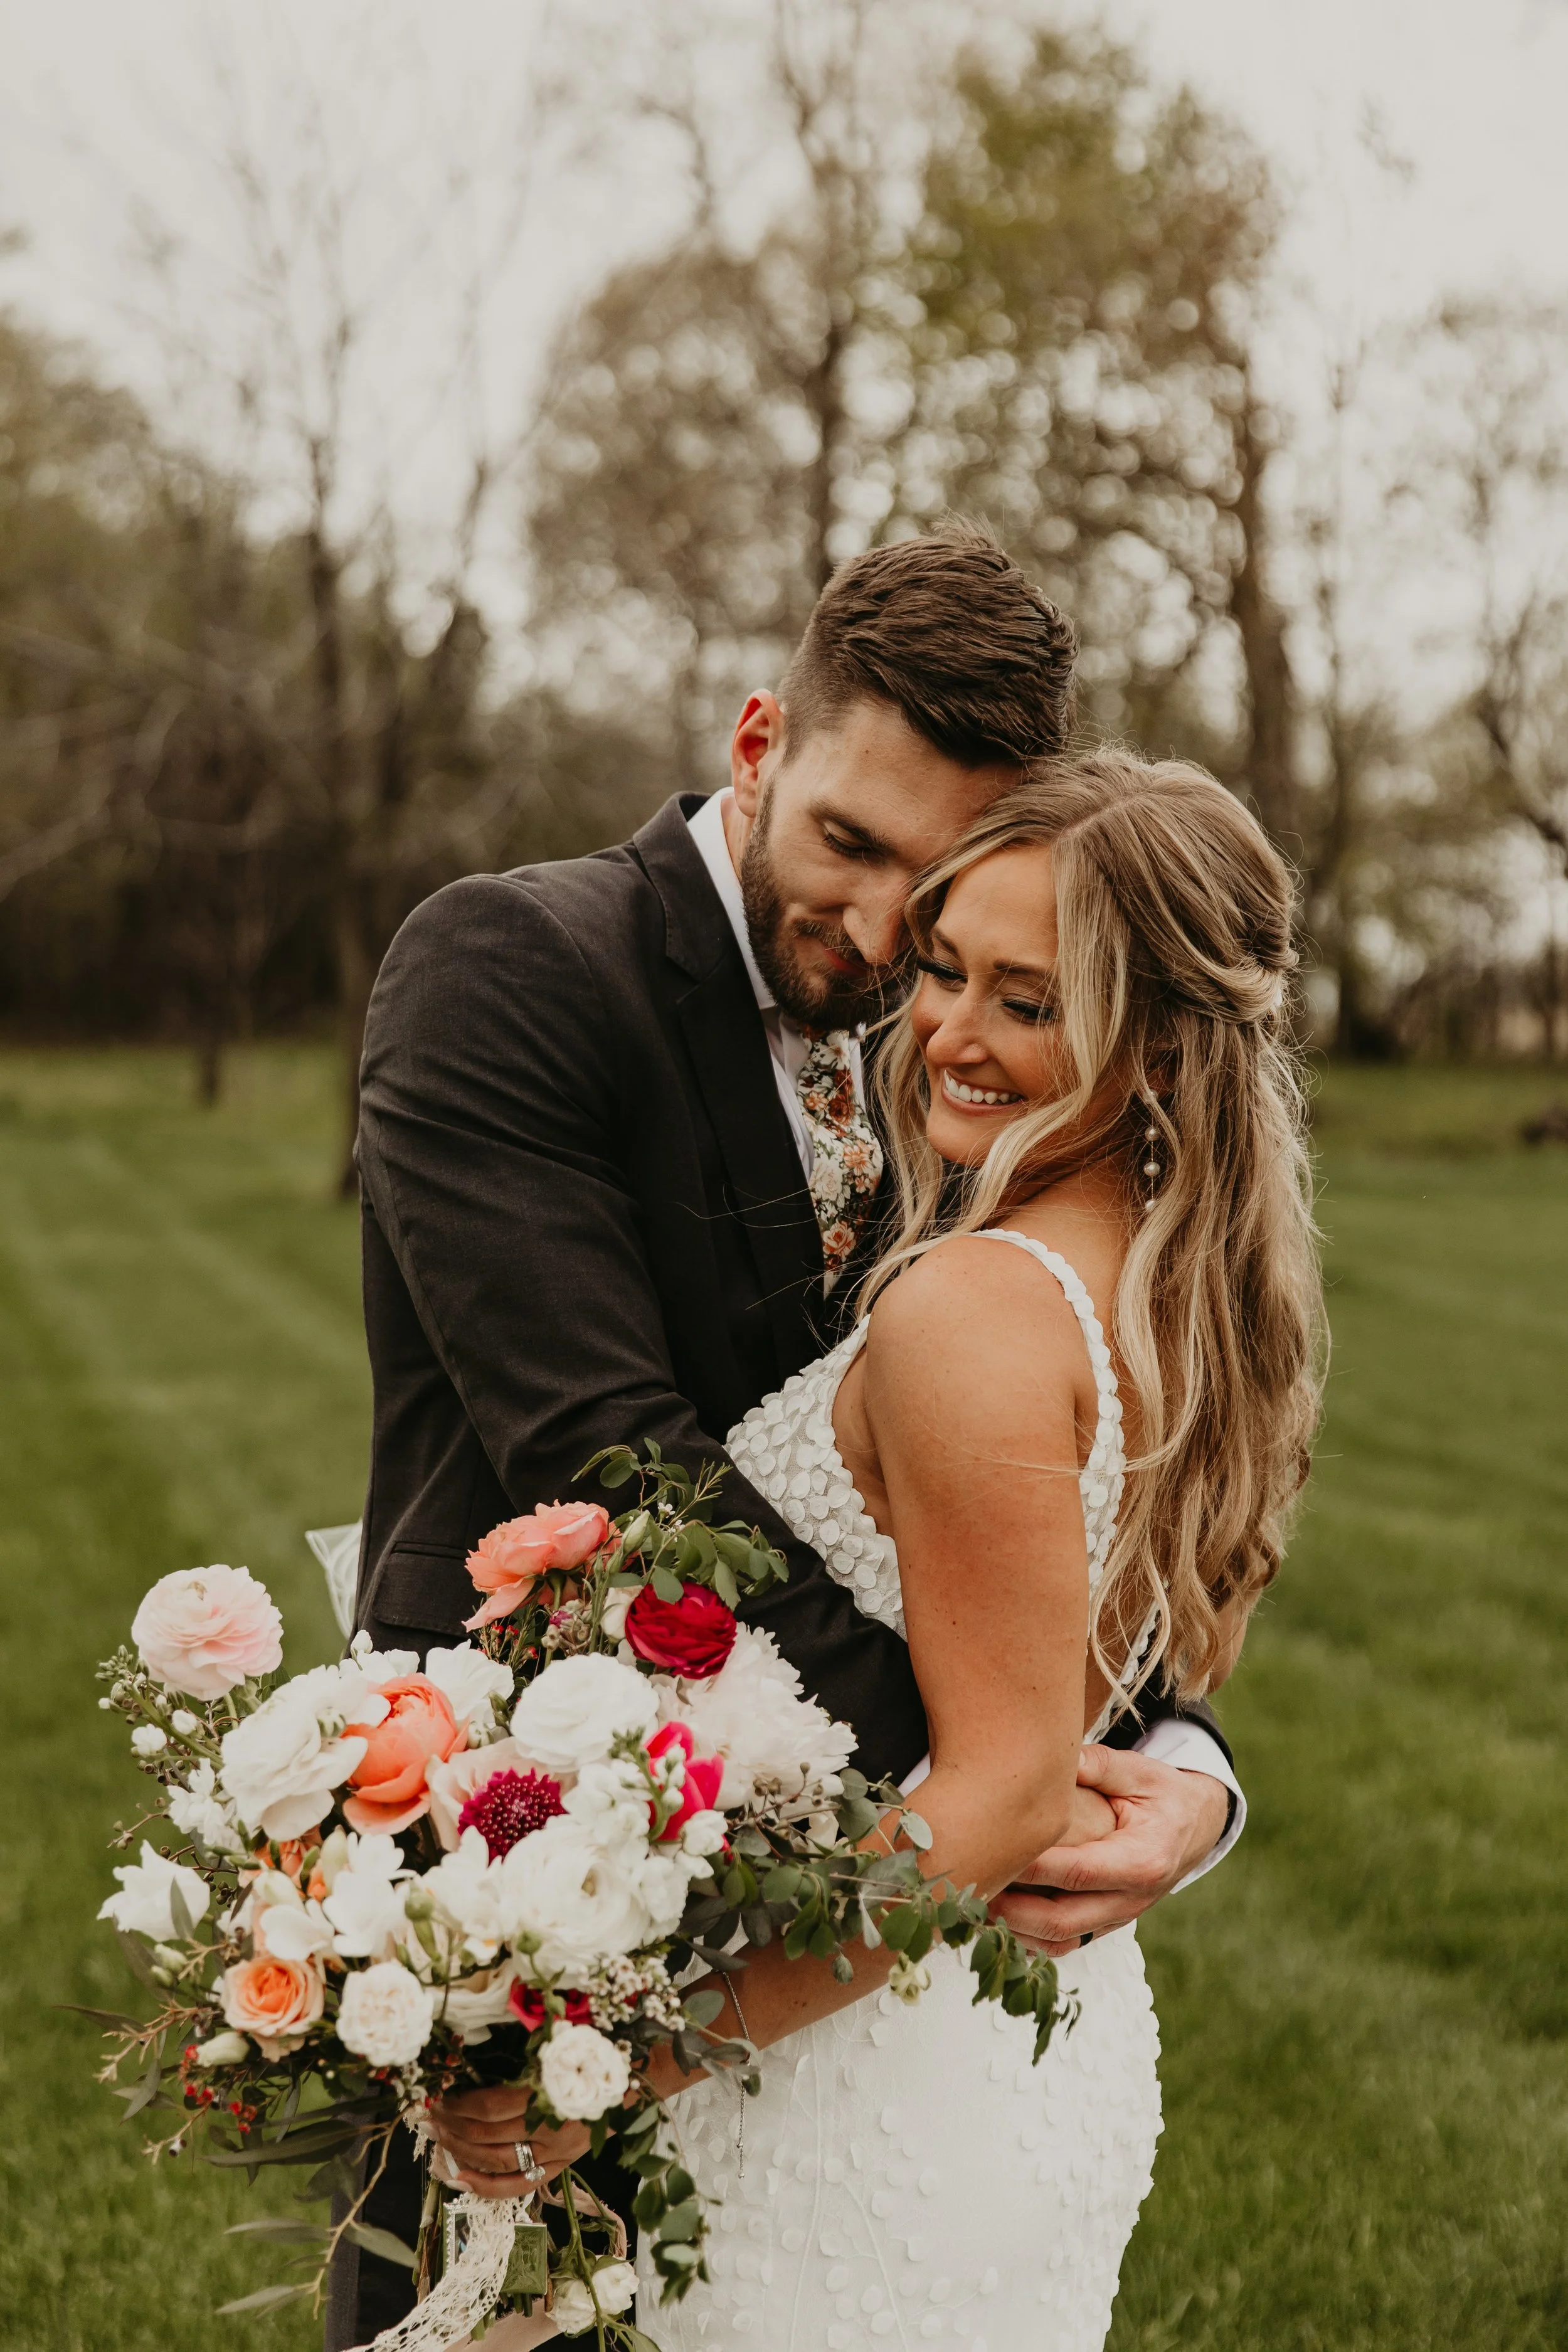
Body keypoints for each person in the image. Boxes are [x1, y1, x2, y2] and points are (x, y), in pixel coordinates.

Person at [332, 528, 1246, 2346]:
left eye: (943, 879)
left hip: (864, 1941)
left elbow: (1039, 1455)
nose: (886, 923)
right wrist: (1009, 1766)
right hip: (541, 1855)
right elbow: (615, 1470)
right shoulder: (516, 971)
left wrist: (1186, 1769)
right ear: (760, 744)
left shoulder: (956, 1046)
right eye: (847, 841)